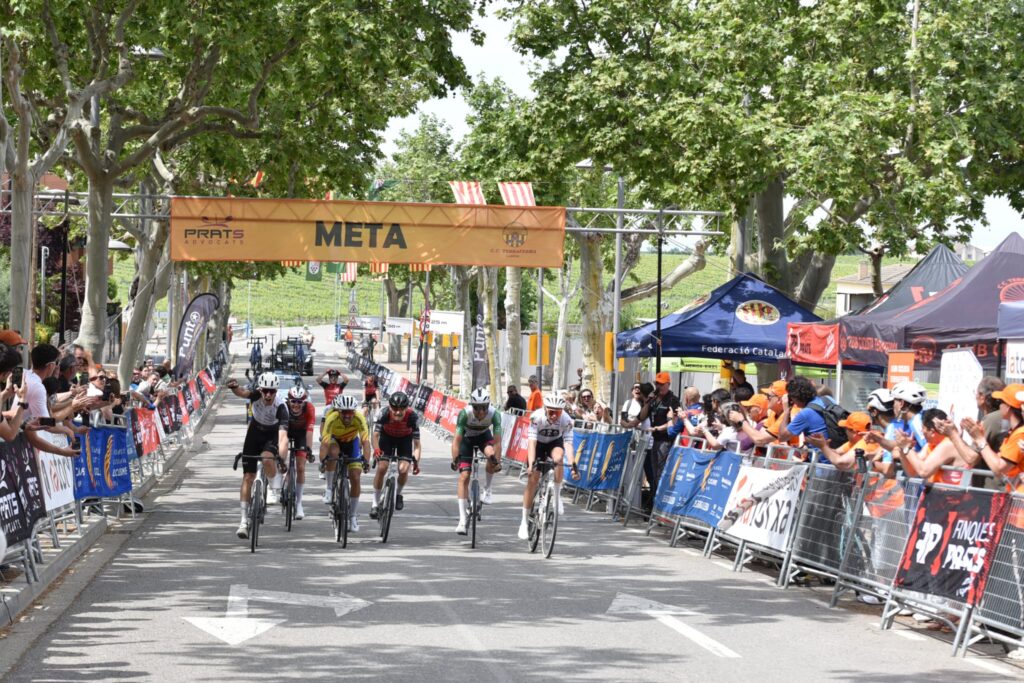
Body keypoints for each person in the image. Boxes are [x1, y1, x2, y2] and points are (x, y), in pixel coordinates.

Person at [225, 372, 289, 539]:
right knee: (248, 477)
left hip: (271, 435)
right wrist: (234, 388)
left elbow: (283, 438)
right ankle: (244, 521)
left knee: (268, 458)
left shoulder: (281, 407)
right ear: (260, 390)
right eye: (265, 391)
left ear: (276, 391)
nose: (268, 395)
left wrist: (281, 459)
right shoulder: (255, 395)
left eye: (272, 391)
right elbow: (242, 393)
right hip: (254, 432)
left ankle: (272, 486)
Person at [517, 393, 577, 540]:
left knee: (559, 458)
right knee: (533, 479)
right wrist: (531, 464)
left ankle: (556, 496)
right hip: (538, 445)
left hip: (553, 443)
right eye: (551, 412)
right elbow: (532, 443)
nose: (555, 415)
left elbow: (568, 444)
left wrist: (574, 464)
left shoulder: (567, 420)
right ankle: (523, 522)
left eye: (558, 412)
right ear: (545, 408)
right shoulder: (536, 418)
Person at [450, 388, 503, 534]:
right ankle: (462, 520)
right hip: (466, 440)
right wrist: (455, 460)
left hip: (483, 437)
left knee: (491, 455)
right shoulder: (464, 414)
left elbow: (498, 442)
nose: (480, 412)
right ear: (471, 406)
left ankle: (488, 489)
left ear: (488, 406)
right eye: (477, 408)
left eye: (483, 408)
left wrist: (497, 461)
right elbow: (456, 441)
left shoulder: (494, 414)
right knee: (464, 476)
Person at [320, 394, 370, 531]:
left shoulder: (359, 418)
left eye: (350, 412)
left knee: (355, 477)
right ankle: (329, 488)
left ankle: (353, 516)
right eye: (344, 413)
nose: (348, 416)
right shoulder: (332, 418)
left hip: (352, 443)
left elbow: (365, 441)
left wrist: (366, 460)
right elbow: (324, 444)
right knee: (333, 453)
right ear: (339, 412)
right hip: (335, 441)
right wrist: (322, 460)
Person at [958, 383, 1024, 483]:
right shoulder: (1015, 431)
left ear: (1008, 407)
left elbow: (999, 469)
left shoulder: (1020, 434)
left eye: (1000, 402)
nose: (999, 405)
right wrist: (978, 438)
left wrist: (980, 440)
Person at [370, 391, 421, 518]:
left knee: (403, 469)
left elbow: (417, 445)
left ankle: (398, 494)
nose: (398, 412)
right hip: (386, 438)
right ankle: (375, 504)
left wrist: (416, 462)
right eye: (395, 408)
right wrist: (376, 450)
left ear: (406, 408)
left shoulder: (412, 417)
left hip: (404, 439)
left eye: (402, 409)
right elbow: (375, 436)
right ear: (390, 406)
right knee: (382, 467)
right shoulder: (384, 413)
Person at [893, 408, 971, 485]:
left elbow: (924, 471)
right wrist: (902, 449)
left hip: (954, 495)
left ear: (932, 431)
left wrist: (907, 448)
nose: (921, 431)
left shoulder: (949, 444)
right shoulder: (930, 445)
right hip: (937, 494)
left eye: (923, 428)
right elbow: (912, 472)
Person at [865, 380, 928, 453]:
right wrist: (878, 439)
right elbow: (897, 446)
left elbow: (929, 452)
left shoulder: (916, 422)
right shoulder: (912, 421)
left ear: (901, 403)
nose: (893, 406)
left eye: (894, 402)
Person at [284, 385, 316, 520]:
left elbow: (309, 431)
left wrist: (308, 450)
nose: (296, 405)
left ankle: (299, 504)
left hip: (301, 435)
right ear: (288, 400)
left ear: (304, 402)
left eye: (299, 402)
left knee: (301, 468)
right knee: (279, 456)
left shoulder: (309, 408)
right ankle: (276, 484)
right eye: (293, 401)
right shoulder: (283, 407)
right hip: (285, 430)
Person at [646, 371, 680, 483]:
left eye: (661, 384)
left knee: (661, 472)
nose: (658, 386)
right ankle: (654, 496)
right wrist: (647, 402)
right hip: (653, 439)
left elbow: (674, 421)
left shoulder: (673, 400)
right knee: (654, 472)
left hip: (665, 440)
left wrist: (657, 428)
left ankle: (658, 497)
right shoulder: (653, 399)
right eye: (657, 384)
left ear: (668, 384)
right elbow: (641, 416)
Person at [774, 376, 828, 444]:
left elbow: (782, 437)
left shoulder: (806, 413)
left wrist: (786, 411)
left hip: (819, 453)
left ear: (796, 397)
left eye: (791, 397)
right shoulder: (825, 400)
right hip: (834, 451)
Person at [977, 376, 1006, 451]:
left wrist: (953, 434)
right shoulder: (1006, 415)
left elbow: (972, 457)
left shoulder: (991, 419)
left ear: (982, 397)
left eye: (976, 393)